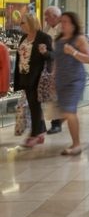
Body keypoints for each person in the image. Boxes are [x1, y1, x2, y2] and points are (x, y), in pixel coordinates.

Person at [54, 12, 89, 155]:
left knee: (69, 112)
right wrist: (52, 78)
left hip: (75, 80)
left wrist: (73, 52)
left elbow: (88, 59)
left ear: (73, 24)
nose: (62, 24)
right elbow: (56, 61)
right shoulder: (58, 40)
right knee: (66, 112)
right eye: (61, 21)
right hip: (61, 80)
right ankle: (74, 141)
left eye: (65, 22)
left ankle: (77, 145)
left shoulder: (79, 39)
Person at [14, 13, 53, 148]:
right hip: (24, 75)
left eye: (22, 23)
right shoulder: (24, 37)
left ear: (31, 22)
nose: (20, 25)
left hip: (37, 76)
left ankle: (35, 134)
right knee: (32, 105)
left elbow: (52, 56)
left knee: (34, 105)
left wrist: (44, 52)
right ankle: (39, 133)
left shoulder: (44, 37)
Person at [43, 6, 64, 134]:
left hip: (60, 65)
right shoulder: (47, 28)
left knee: (56, 95)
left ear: (55, 16)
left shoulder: (63, 28)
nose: (45, 19)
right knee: (52, 95)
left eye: (47, 16)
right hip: (49, 63)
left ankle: (57, 123)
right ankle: (56, 121)